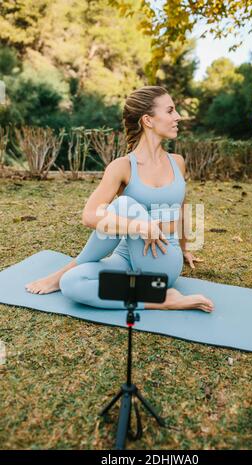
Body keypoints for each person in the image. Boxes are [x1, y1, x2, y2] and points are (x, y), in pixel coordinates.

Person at [25, 86, 214, 312]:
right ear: (148, 120)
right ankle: (160, 298)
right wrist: (140, 226)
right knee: (72, 283)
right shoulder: (122, 167)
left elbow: (181, 209)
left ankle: (64, 271)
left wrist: (185, 249)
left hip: (161, 259)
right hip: (124, 259)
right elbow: (89, 216)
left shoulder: (177, 162)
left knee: (124, 204)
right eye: (171, 111)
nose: (178, 117)